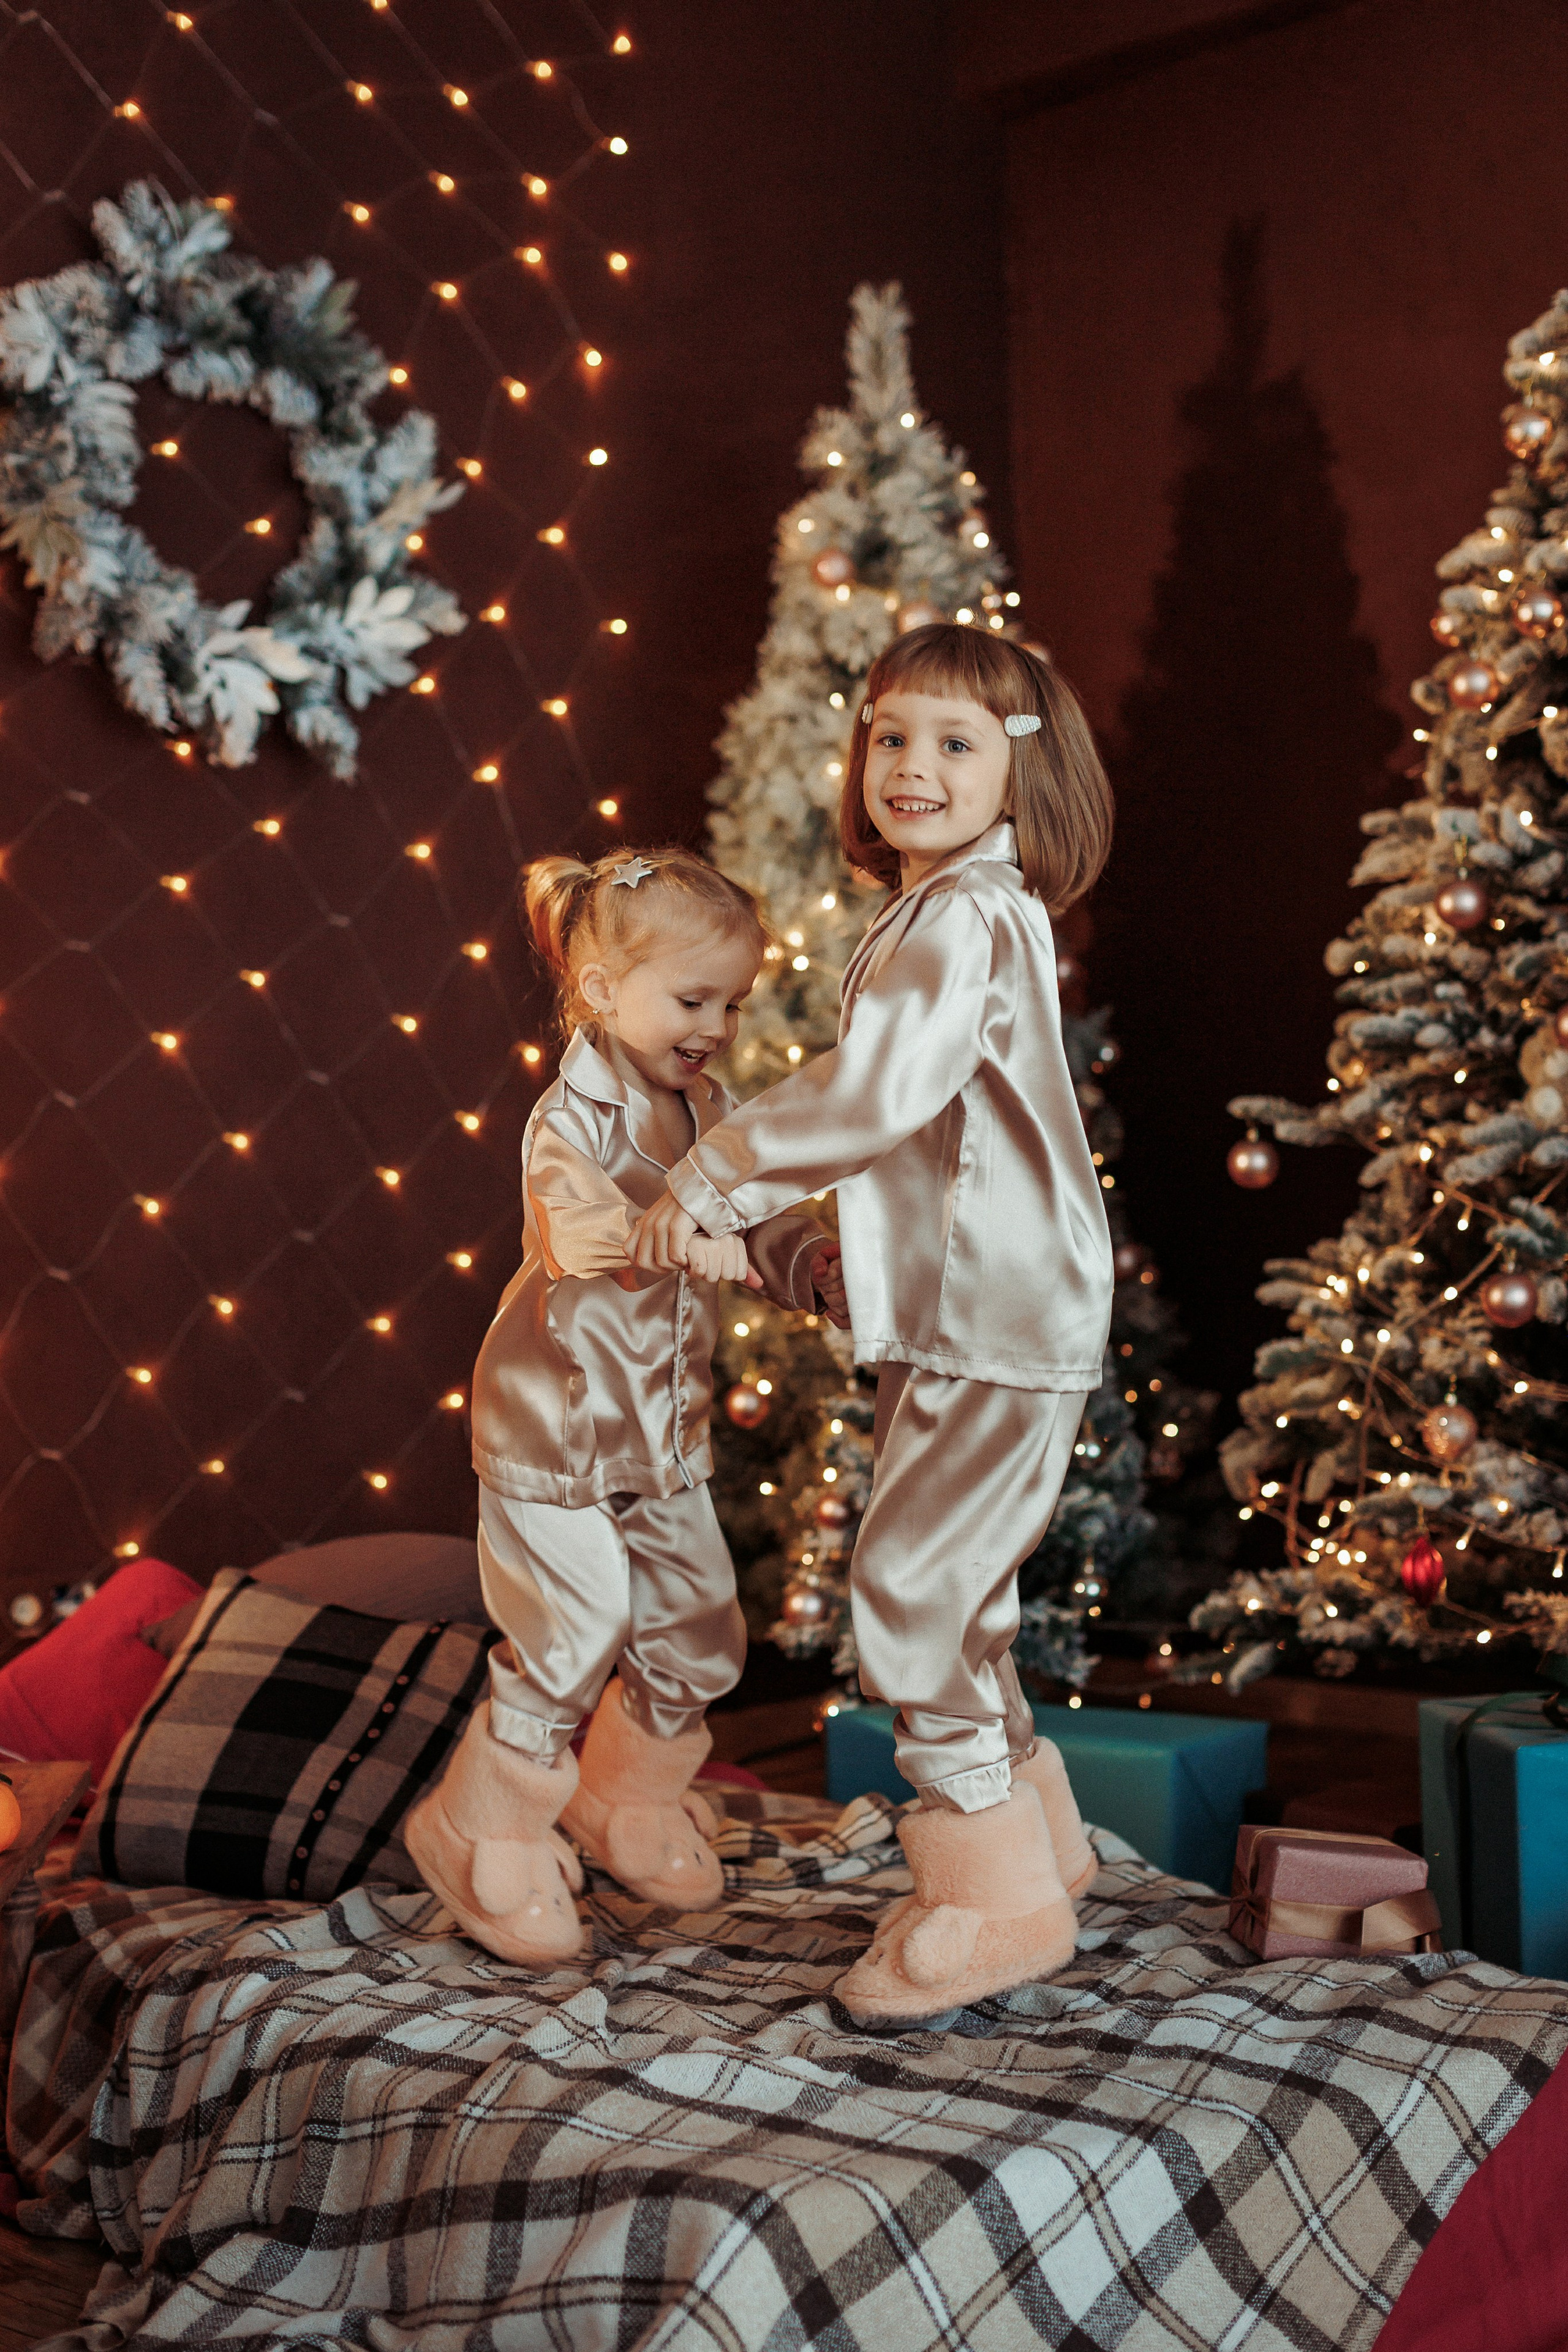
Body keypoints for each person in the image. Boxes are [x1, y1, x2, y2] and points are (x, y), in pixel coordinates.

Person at [628, 625, 1115, 2023]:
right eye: (890, 737)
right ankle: (1042, 1849)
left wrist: (711, 1168)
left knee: (911, 1594)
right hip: (973, 1299)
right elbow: (938, 1144)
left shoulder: (965, 916)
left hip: (997, 1310)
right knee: (955, 1598)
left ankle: (988, 1899)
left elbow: (877, 1094)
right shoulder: (944, 913)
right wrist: (823, 1258)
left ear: (1019, 776)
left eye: (955, 745)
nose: (912, 768)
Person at [407, 847, 845, 1967]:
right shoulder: (572, 1120)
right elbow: (577, 1234)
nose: (717, 1024)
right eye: (693, 998)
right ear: (602, 993)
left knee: (702, 1630)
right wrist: (673, 1234)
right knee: (575, 1626)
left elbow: (769, 1207)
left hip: (661, 1431)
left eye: (734, 1003)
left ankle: (619, 1800)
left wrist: (812, 1266)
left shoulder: (712, 1107)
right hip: (551, 1425)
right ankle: (478, 1825)